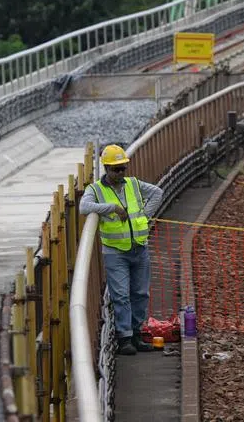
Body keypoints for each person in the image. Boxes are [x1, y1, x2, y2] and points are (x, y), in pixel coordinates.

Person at [79, 143, 164, 356]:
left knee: (141, 294)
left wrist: (144, 215)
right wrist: (113, 208)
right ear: (106, 169)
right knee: (121, 295)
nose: (121, 173)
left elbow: (157, 193)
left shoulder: (133, 184)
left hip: (139, 248)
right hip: (115, 252)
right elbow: (84, 207)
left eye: (123, 168)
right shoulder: (95, 190)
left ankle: (137, 333)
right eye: (116, 169)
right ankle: (124, 338)